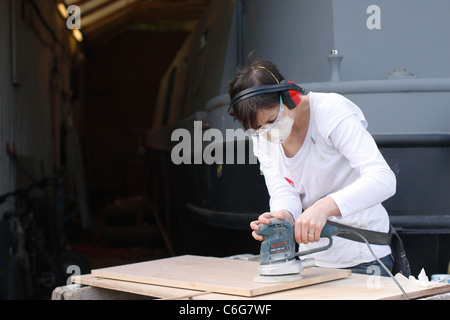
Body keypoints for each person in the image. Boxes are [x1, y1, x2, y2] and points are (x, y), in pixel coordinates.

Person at [228, 59, 397, 276]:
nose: (267, 132)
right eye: (257, 128)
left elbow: (383, 179)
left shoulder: (331, 112)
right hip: (310, 260)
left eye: (271, 120)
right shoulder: (262, 134)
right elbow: (283, 188)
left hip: (364, 257)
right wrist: (282, 216)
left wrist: (323, 207)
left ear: (289, 96)